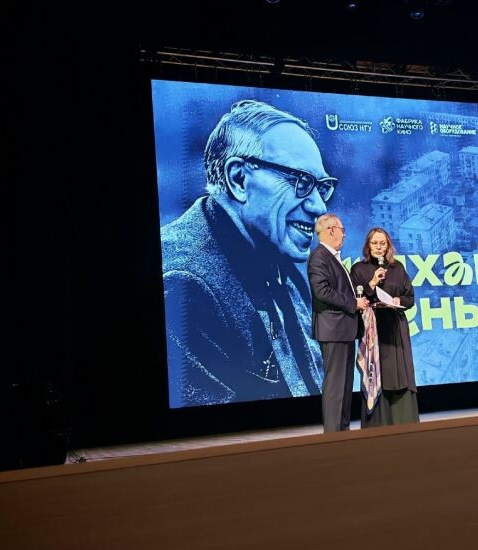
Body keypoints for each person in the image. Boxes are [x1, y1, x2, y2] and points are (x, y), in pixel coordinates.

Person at [160, 99, 337, 408]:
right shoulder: (182, 283)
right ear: (238, 179)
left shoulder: (278, 256)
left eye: (322, 187)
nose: (320, 207)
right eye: (300, 182)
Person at [350, 227, 419, 427]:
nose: (379, 247)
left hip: (395, 326)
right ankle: (377, 421)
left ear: (388, 246)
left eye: (383, 243)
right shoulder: (359, 269)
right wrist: (372, 282)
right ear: (368, 246)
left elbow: (410, 297)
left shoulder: (397, 267)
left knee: (399, 372)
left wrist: (399, 300)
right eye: (374, 243)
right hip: (373, 328)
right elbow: (354, 298)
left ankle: (403, 418)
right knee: (376, 371)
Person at [308, 214, 369, 432]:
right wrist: (354, 303)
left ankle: (342, 432)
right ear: (331, 230)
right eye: (343, 230)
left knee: (345, 385)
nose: (344, 235)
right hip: (333, 330)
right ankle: (333, 434)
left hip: (343, 330)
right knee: (335, 385)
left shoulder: (332, 257)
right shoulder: (319, 256)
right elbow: (322, 292)